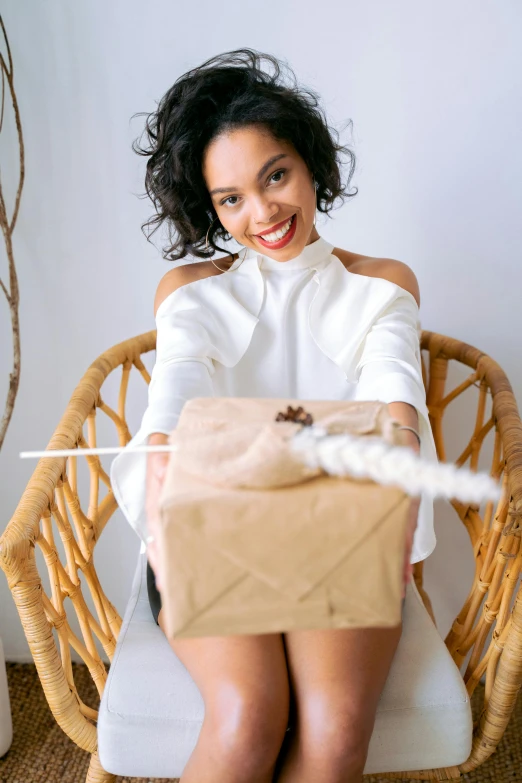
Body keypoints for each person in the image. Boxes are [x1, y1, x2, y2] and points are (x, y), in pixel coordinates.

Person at [110, 48, 437, 783]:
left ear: (310, 163)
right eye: (230, 199)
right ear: (209, 208)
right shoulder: (190, 292)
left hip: (341, 539)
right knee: (246, 714)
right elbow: (176, 393)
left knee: (338, 726)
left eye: (275, 175)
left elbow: (394, 388)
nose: (260, 214)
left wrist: (402, 455)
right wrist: (162, 484)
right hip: (213, 537)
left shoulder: (380, 286)